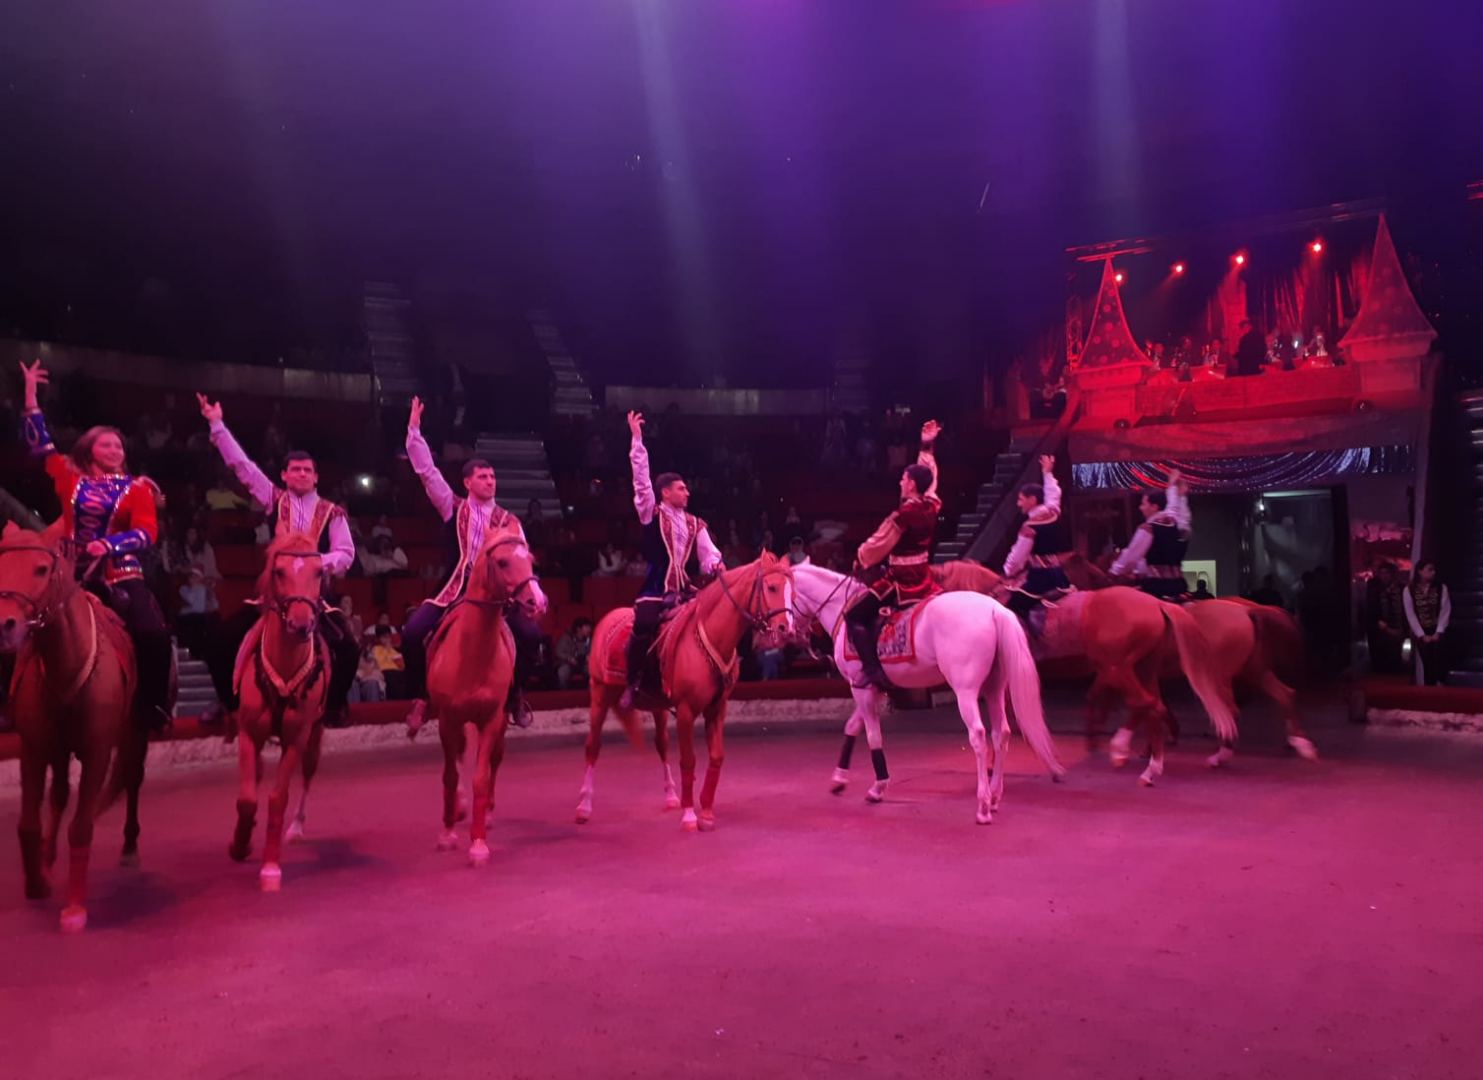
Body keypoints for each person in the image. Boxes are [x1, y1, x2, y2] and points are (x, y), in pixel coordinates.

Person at [18, 359, 173, 732]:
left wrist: (110, 544)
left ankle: (151, 707)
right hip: (70, 575)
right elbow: (40, 448)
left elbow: (147, 533)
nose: (115, 449)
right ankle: (18, 698)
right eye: (106, 444)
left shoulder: (138, 489)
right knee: (22, 626)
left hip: (121, 574)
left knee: (153, 633)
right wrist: (29, 398)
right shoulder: (70, 478)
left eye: (119, 445)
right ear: (89, 450)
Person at [197, 394, 359, 727]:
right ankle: (228, 704)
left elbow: (346, 553)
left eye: (308, 471)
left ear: (316, 477)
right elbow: (243, 467)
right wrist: (217, 424)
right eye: (295, 470)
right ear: (284, 475)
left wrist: (316, 563)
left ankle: (334, 706)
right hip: (273, 595)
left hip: (315, 596)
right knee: (220, 641)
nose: (301, 474)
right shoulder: (274, 499)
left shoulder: (333, 512)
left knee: (349, 649)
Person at [401, 396, 539, 731]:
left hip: (499, 595)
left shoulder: (510, 521)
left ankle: (516, 695)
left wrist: (533, 595)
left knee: (531, 636)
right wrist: (415, 432)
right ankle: (421, 696)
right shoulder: (453, 506)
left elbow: (523, 562)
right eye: (482, 477)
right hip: (455, 590)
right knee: (411, 633)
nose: (489, 481)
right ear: (467, 483)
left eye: (492, 477)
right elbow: (427, 473)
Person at [620, 409, 724, 710]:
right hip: (656, 589)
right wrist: (637, 440)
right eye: (681, 488)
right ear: (665, 492)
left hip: (685, 589)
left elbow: (708, 554)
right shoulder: (651, 511)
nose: (687, 492)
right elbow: (641, 481)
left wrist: (716, 565)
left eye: (687, 488)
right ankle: (634, 682)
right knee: (643, 627)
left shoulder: (695, 523)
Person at [844, 420, 943, 691]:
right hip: (924, 575)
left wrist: (861, 557)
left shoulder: (902, 516)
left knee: (853, 616)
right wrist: (926, 445)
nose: (901, 481)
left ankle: (872, 670)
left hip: (901, 579)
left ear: (910, 484)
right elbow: (930, 478)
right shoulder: (932, 504)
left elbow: (878, 544)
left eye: (904, 478)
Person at [1002, 454, 1073, 622]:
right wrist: (1047, 473)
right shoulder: (1053, 512)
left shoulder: (1030, 527)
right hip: (1059, 576)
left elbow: (1018, 557)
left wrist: (1006, 572)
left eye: (1021, 499)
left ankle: (1030, 641)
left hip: (1040, 579)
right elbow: (1053, 494)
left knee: (1011, 610)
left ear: (1032, 500)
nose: (1018, 504)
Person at [1109, 469, 1191, 600]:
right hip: (1179, 586)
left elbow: (1131, 557)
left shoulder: (1148, 529)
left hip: (1156, 588)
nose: (1141, 508)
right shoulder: (1175, 523)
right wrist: (1175, 490)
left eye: (1143, 504)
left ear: (1155, 507)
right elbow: (1174, 508)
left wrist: (1115, 571)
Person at [1404, 560, 1452, 686]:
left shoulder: (1441, 588)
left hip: (1437, 629)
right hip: (1421, 631)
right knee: (1427, 662)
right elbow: (1410, 614)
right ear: (1420, 571)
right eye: (1429, 569)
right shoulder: (1409, 590)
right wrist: (1421, 634)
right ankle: (1429, 690)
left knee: (1439, 660)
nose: (1433, 572)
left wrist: (1439, 631)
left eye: (1434, 570)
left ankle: (1441, 684)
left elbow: (1445, 609)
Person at [1366, 562, 1405, 675]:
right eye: (1381, 573)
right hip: (1379, 626)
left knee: (1395, 657)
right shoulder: (1374, 587)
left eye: (1387, 573)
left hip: (1396, 626)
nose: (1384, 576)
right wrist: (1377, 621)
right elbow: (1371, 606)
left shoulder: (1400, 588)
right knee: (1379, 657)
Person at [554, 616, 594, 690]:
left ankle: (590, 692)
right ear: (578, 629)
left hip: (584, 664)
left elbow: (594, 652)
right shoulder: (567, 637)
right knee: (563, 672)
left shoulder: (590, 640)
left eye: (589, 627)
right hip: (569, 663)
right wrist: (569, 658)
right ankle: (564, 694)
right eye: (586, 627)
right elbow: (558, 651)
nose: (589, 630)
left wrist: (590, 657)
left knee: (592, 671)